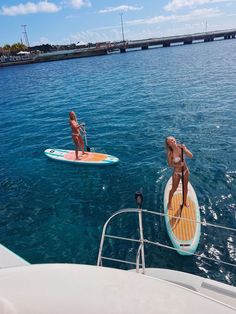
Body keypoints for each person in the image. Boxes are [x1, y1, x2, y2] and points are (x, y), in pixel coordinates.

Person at [165, 136, 193, 211]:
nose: (172, 141)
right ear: (168, 144)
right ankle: (169, 203)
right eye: (170, 141)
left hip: (185, 171)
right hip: (177, 173)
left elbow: (191, 156)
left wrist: (185, 149)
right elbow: (170, 164)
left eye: (172, 139)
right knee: (174, 188)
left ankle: (184, 202)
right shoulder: (170, 153)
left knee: (185, 187)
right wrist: (178, 165)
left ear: (175, 139)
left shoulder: (181, 147)